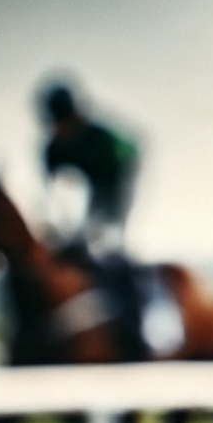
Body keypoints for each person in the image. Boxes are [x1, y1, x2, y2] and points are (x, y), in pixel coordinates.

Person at [40, 80, 144, 356]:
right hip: (82, 204)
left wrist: (113, 222)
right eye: (55, 124)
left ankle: (135, 327)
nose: (60, 130)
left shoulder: (103, 139)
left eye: (63, 122)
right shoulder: (52, 150)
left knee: (108, 247)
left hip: (116, 194)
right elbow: (55, 195)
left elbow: (124, 178)